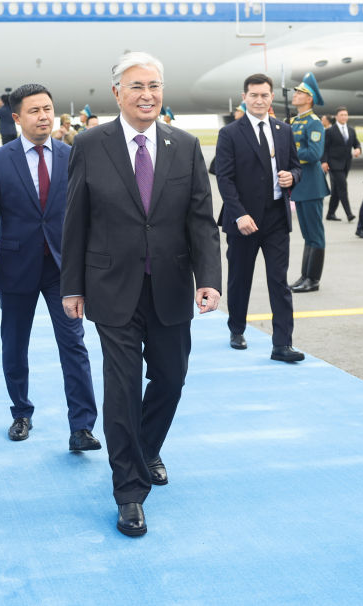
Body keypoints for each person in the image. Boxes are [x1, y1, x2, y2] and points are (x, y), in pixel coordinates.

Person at [61, 51, 221, 538]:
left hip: (170, 285)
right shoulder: (90, 144)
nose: (147, 95)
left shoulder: (184, 145)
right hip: (112, 288)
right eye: (136, 86)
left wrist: (208, 278)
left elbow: (200, 219)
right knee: (123, 389)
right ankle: (129, 491)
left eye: (154, 86)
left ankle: (146, 447)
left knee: (171, 379)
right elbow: (76, 220)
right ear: (117, 93)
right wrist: (72, 286)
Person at [0, 83, 99, 450]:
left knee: (74, 344)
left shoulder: (72, 155)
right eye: (34, 111)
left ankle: (81, 427)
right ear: (17, 118)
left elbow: (89, 215)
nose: (44, 116)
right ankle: (21, 412)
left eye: (47, 108)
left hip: (63, 269)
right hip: (16, 267)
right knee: (15, 345)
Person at [215, 73, 304, 362]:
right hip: (244, 221)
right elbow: (224, 179)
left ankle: (282, 344)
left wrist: (293, 177)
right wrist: (239, 215)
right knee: (240, 278)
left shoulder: (284, 130)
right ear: (244, 98)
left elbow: (296, 166)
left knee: (279, 281)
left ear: (271, 97)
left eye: (264, 95)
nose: (259, 100)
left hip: (276, 217)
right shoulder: (230, 133)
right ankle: (237, 328)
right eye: (253, 95)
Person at [288, 73, 329, 293]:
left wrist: (291, 153)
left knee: (315, 234)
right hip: (301, 186)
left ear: (309, 98)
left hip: (312, 185)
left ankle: (313, 279)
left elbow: (314, 153)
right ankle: (305, 275)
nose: (295, 95)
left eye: (300, 92)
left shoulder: (314, 123)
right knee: (307, 235)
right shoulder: (295, 122)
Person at [323, 106, 362, 222]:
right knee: (343, 187)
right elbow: (324, 148)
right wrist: (324, 162)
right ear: (336, 117)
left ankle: (330, 213)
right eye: (342, 115)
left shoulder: (351, 130)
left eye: (346, 115)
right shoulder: (330, 131)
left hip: (346, 164)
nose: (344, 117)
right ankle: (349, 213)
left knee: (336, 190)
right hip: (334, 164)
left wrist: (358, 149)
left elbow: (356, 143)